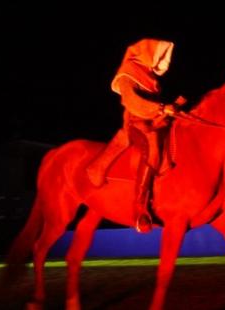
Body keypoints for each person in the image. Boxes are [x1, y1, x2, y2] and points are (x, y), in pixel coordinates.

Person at [86, 38, 186, 233]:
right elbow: (132, 102)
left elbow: (158, 108)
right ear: (147, 53)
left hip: (152, 121)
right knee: (152, 147)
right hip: (136, 124)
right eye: (158, 56)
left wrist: (171, 110)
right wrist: (160, 108)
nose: (160, 62)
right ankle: (140, 208)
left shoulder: (152, 79)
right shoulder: (127, 72)